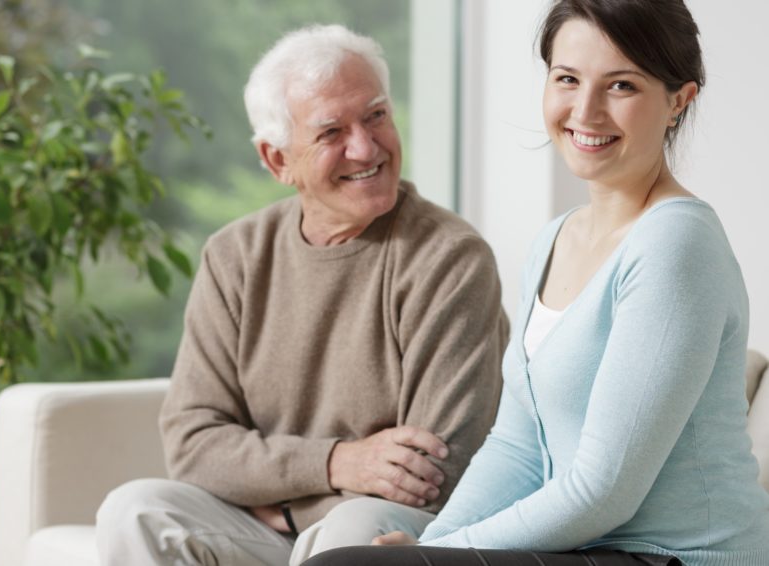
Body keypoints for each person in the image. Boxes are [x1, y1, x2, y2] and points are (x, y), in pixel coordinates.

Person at [302, 1, 769, 565]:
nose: (586, 111)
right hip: (589, 547)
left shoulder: (675, 243)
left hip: (674, 556)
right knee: (359, 545)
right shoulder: (554, 240)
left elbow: (605, 491)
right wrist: (433, 543)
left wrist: (441, 552)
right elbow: (518, 447)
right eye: (567, 79)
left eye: (621, 86)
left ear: (679, 100)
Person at [94, 24, 509, 566]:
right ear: (278, 160)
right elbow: (194, 446)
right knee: (136, 510)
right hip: (274, 526)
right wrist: (336, 462)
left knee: (354, 528)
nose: (365, 147)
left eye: (376, 115)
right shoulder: (234, 256)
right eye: (332, 131)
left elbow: (431, 475)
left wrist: (284, 509)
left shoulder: (450, 258)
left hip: (392, 532)